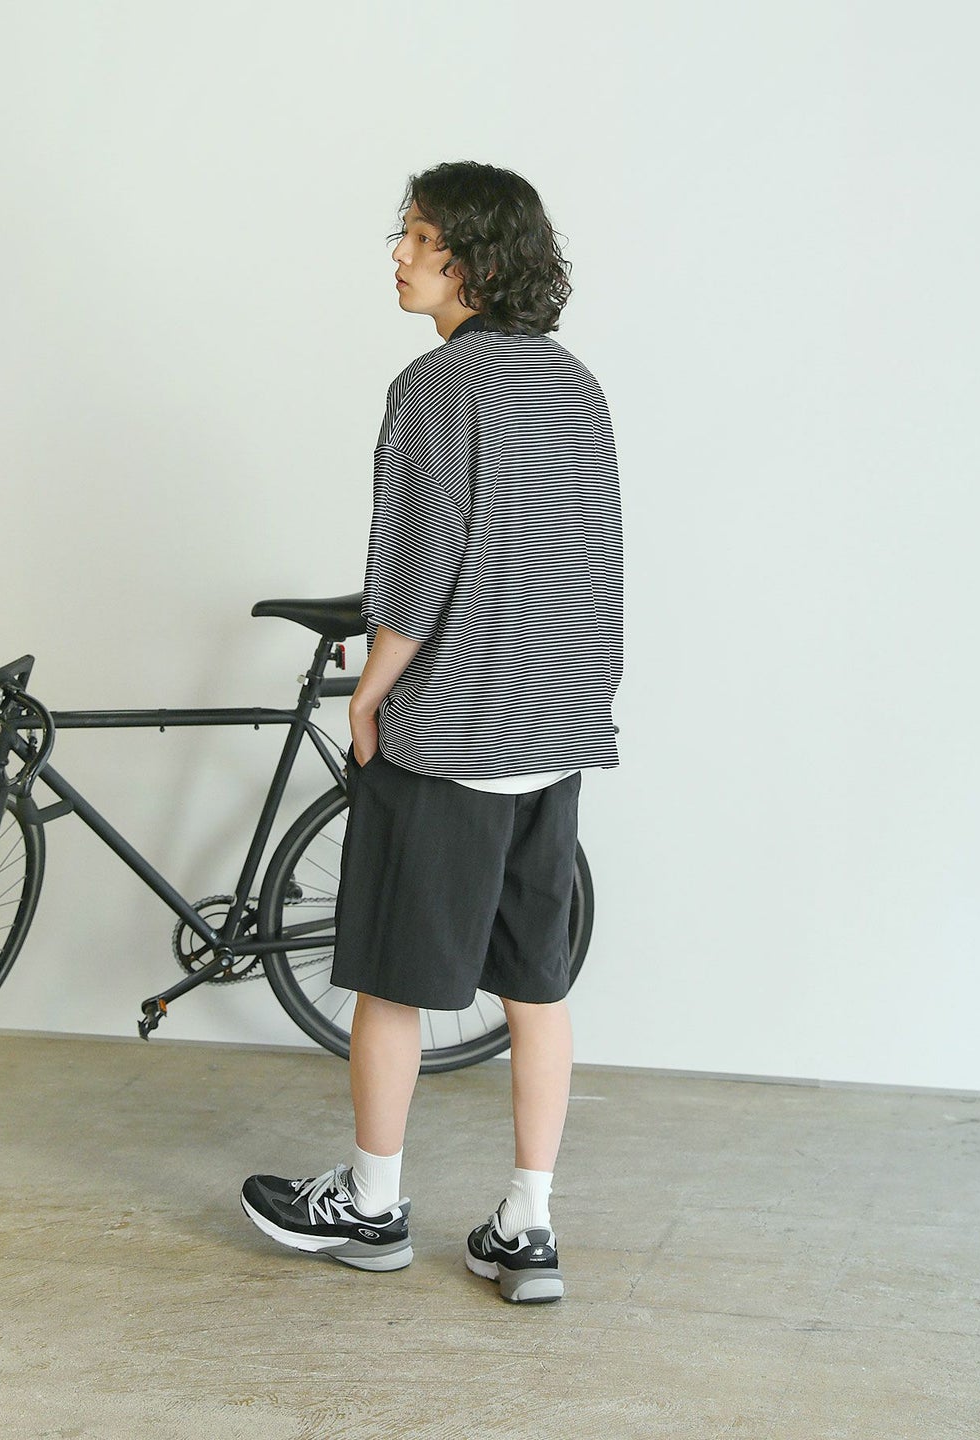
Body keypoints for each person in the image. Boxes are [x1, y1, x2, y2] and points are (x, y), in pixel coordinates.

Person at [241, 161, 623, 1304]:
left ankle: (371, 1206)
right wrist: (580, 698)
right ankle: (528, 1228)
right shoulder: (575, 385)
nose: (399, 256)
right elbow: (596, 561)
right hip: (553, 731)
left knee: (393, 984)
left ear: (476, 257)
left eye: (419, 237)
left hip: (453, 732)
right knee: (536, 990)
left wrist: (371, 691)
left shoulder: (435, 385)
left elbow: (415, 564)